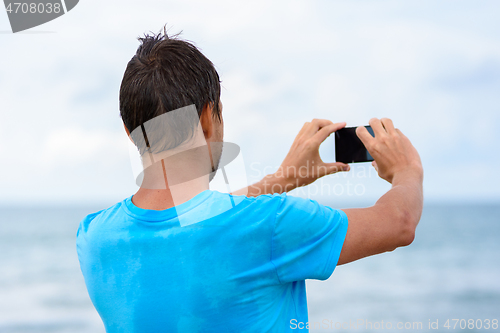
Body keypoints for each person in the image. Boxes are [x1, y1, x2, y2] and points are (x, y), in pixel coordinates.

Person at [76, 28, 423, 333]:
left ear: (129, 132)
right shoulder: (271, 225)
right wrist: (407, 171)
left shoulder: (93, 237)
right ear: (208, 119)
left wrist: (282, 178)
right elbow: (399, 224)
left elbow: (194, 222)